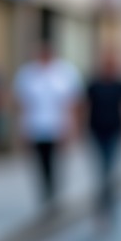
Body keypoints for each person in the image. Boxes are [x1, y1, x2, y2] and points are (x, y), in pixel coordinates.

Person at [12, 41, 81, 210]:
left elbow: (72, 103)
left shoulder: (65, 72)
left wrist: (72, 127)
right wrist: (22, 129)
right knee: (41, 161)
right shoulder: (28, 73)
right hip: (36, 126)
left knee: (56, 161)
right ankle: (46, 192)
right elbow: (22, 104)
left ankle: (54, 192)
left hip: (58, 126)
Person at [84, 48, 121, 225]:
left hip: (114, 131)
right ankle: (102, 207)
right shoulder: (93, 84)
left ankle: (109, 207)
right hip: (96, 131)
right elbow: (85, 107)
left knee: (109, 171)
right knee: (101, 171)